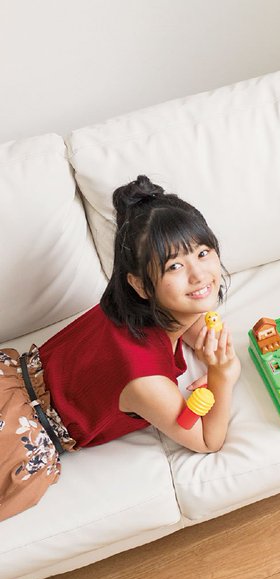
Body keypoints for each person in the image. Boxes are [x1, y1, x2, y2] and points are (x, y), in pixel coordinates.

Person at [0, 175, 241, 522]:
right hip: (14, 436)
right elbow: (207, 440)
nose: (199, 275)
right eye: (175, 266)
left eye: (203, 253)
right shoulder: (146, 382)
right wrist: (222, 374)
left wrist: (207, 337)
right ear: (141, 285)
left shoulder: (127, 303)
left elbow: (195, 320)